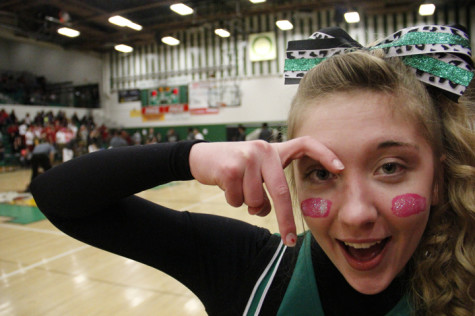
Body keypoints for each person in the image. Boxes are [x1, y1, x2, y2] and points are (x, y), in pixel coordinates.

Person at [31, 25, 474, 315]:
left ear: (437, 178)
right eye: (320, 171)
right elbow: (59, 197)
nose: (357, 214)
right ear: (292, 179)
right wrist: (189, 156)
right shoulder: (249, 271)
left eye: (391, 166)